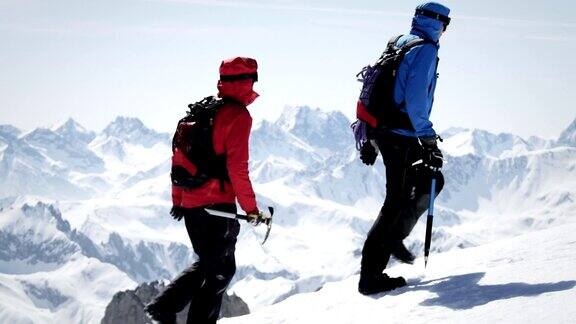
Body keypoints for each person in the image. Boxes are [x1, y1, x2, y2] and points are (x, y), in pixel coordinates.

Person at [145, 57, 262, 323]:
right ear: (248, 81)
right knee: (220, 272)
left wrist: (179, 200)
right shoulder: (237, 116)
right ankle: (164, 307)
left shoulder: (202, 113)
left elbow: (179, 161)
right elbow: (237, 169)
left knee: (211, 266)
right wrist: (251, 209)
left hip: (192, 206)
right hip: (216, 207)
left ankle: (164, 307)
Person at [358, 2, 450, 295]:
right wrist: (428, 138)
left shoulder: (399, 42)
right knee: (396, 202)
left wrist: (368, 134)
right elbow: (415, 100)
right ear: (439, 23)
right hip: (402, 134)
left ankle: (394, 237)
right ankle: (370, 277)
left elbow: (369, 89)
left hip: (386, 131)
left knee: (428, 182)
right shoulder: (425, 49)